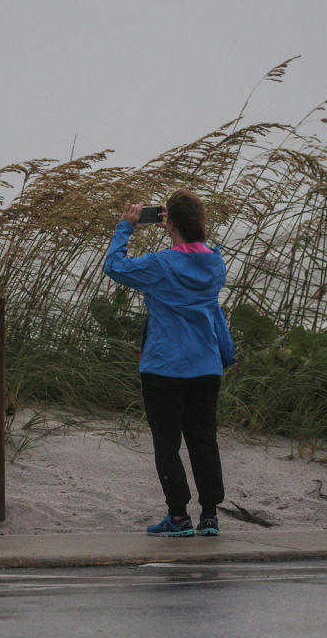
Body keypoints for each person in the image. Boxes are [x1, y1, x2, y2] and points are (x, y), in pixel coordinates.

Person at [103, 189, 234, 537]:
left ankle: (178, 517)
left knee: (167, 443)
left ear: (169, 223)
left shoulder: (160, 265)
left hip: (164, 366)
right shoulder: (215, 263)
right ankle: (209, 516)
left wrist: (126, 226)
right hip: (206, 366)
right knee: (203, 440)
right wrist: (177, 226)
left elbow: (114, 266)